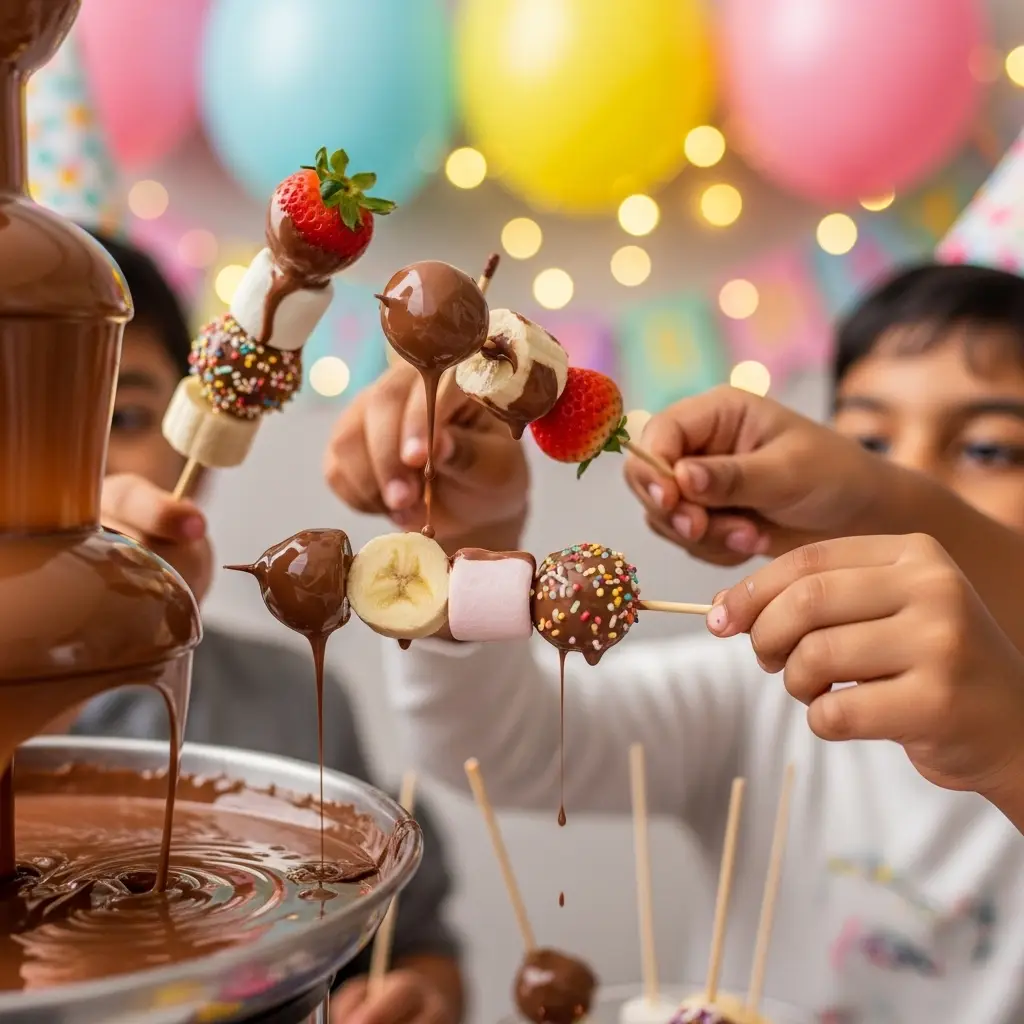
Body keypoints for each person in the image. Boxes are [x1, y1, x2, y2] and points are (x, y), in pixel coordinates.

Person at [324, 261, 1024, 1022]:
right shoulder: (760, 681)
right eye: (868, 441)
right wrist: (472, 541)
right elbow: (499, 751)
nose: (907, 471)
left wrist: (887, 502)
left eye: (990, 449)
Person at [83, 232, 465, 1024]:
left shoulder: (296, 699)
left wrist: (417, 994)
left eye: (125, 414)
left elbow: (420, 944)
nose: (82, 460)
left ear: (204, 438)